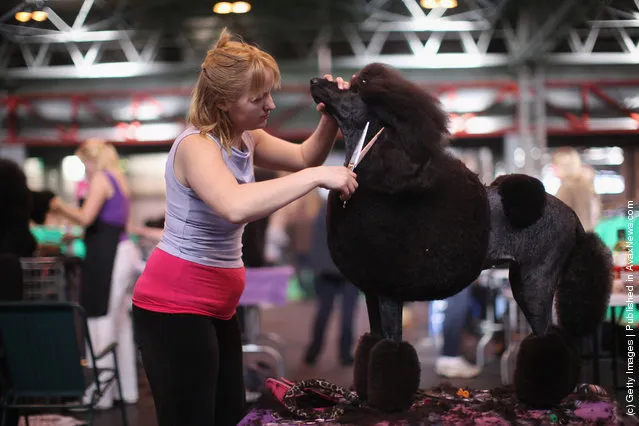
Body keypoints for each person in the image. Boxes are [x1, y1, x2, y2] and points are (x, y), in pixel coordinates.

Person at [131, 27, 357, 426]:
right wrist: (319, 177)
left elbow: (305, 156)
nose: (270, 104)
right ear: (222, 103)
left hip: (218, 304)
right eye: (258, 98)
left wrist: (331, 118)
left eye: (270, 93)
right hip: (174, 306)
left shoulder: (247, 137)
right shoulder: (196, 146)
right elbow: (234, 206)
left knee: (227, 415)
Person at [50, 139, 140, 408]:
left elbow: (86, 217)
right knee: (119, 324)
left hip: (109, 255)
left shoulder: (101, 178)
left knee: (99, 320)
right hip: (122, 252)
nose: (84, 170)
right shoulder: (119, 180)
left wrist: (56, 205)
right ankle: (126, 391)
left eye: (84, 163)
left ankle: (99, 395)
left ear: (92, 160)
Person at [304, 195, 360, 366]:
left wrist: (318, 267)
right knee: (348, 314)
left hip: (326, 271)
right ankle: (344, 354)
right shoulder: (355, 214)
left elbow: (315, 243)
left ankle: (313, 352)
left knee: (323, 312)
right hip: (349, 271)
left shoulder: (323, 212)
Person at [552, 147, 599, 231]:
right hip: (588, 235)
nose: (552, 168)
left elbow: (559, 218)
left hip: (572, 237)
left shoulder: (567, 188)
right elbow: (596, 215)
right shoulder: (587, 186)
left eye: (555, 164)